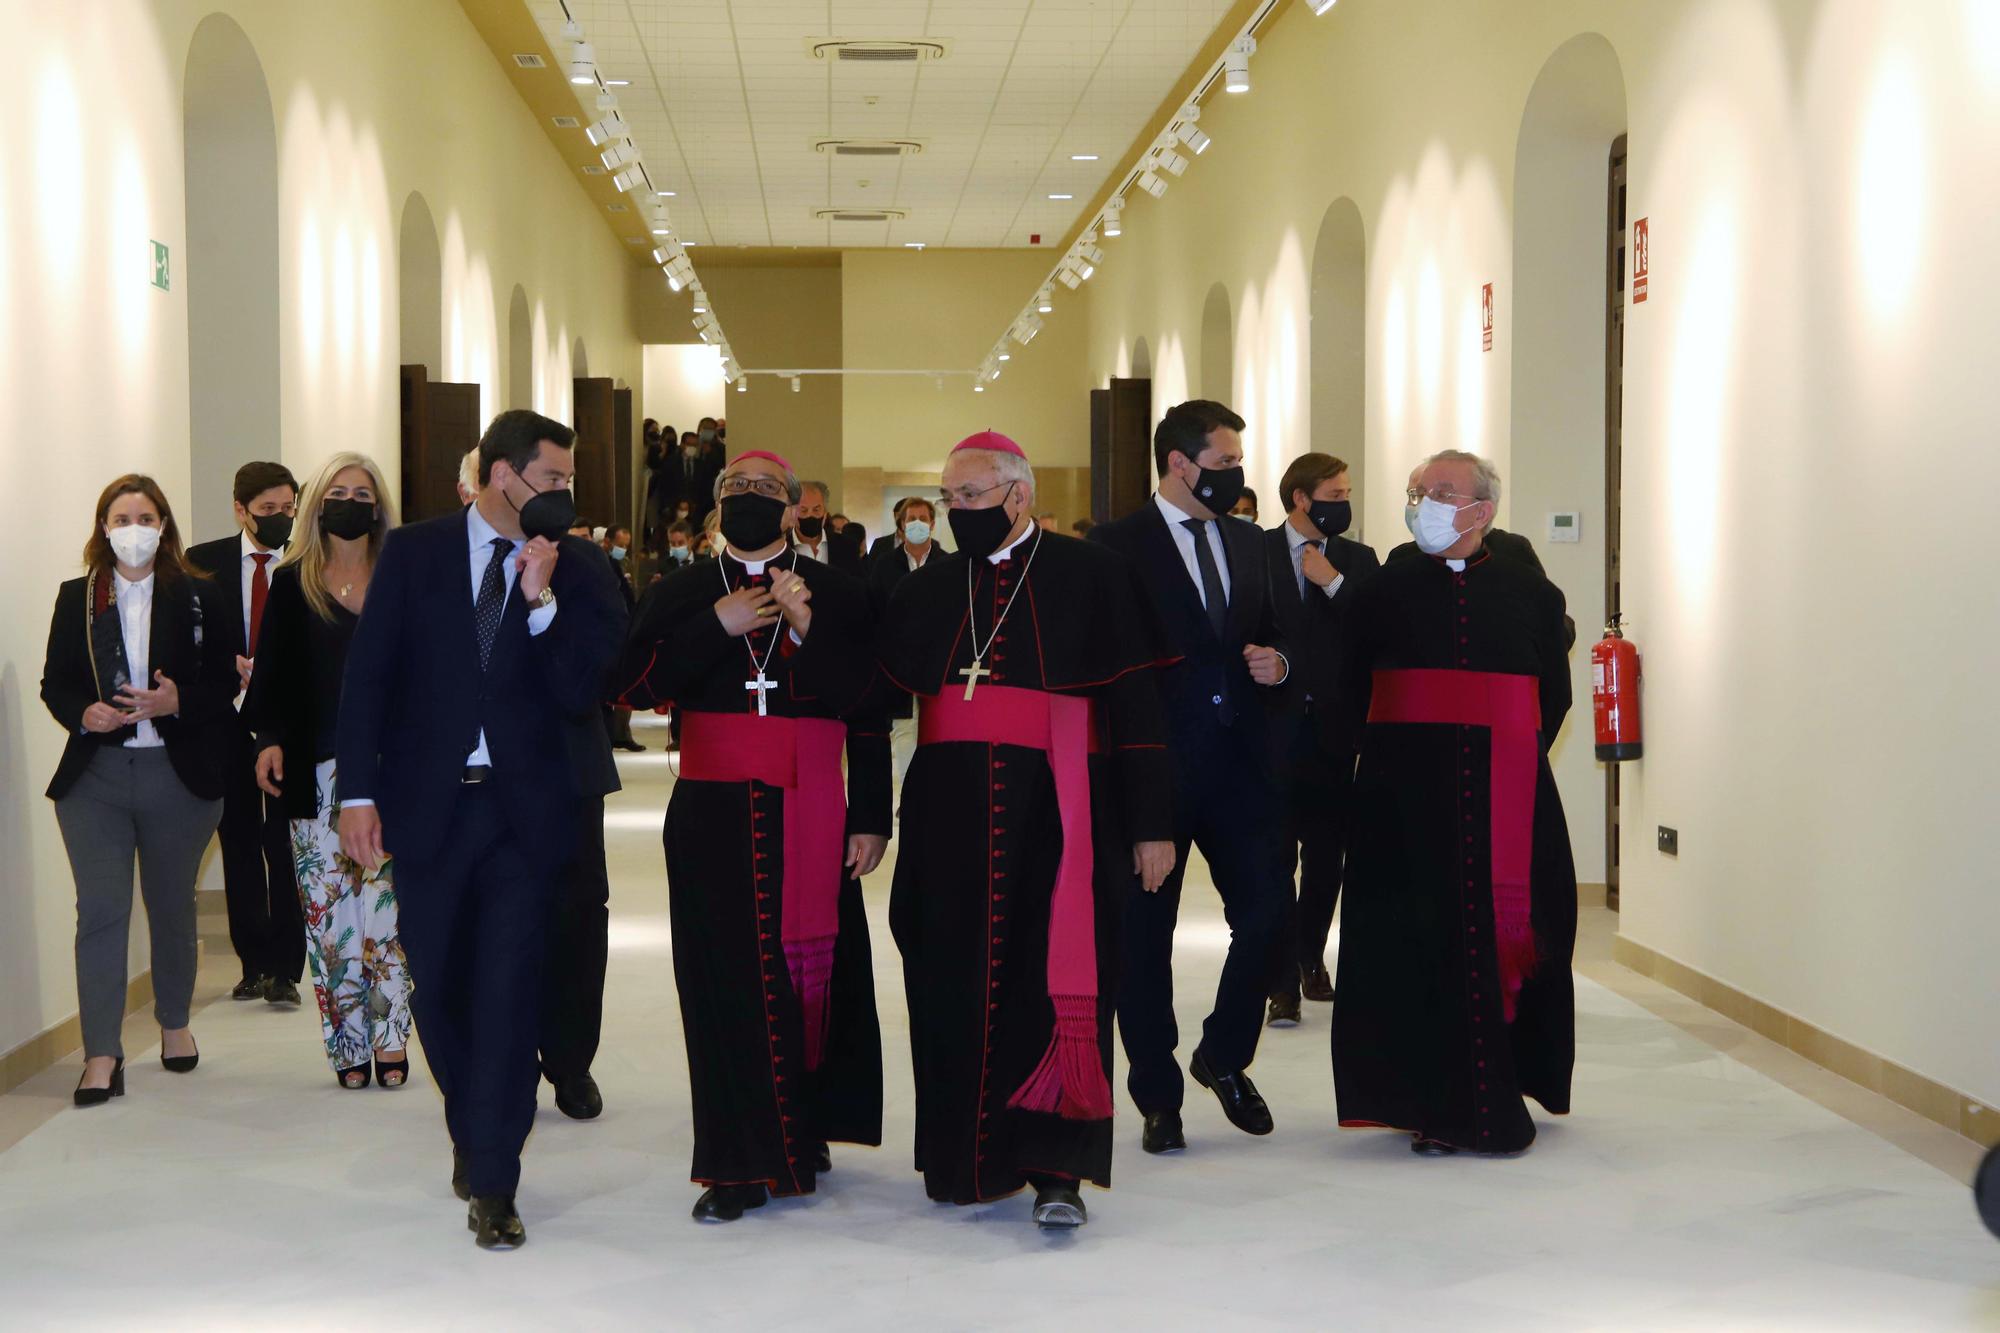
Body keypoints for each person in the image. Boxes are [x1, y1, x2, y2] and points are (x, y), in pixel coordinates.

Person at [335, 409, 625, 1249]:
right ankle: (473, 1123)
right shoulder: (417, 553)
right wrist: (358, 794)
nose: (565, 497)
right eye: (554, 480)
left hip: (526, 815)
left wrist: (538, 607)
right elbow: (370, 680)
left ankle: (494, 1179)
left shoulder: (582, 570)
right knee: (442, 987)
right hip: (429, 807)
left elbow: (585, 689)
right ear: (503, 475)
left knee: (507, 990)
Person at [878, 430, 1175, 1230]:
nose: (954, 512)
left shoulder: (1097, 575)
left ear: (1019, 495)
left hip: (1062, 808)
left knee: (1057, 982)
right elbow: (876, 689)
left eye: (969, 496)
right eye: (948, 499)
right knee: (946, 976)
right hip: (946, 814)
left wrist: (1153, 823)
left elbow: (1139, 710)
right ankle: (958, 1157)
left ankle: (1057, 1170)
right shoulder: (930, 587)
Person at [616, 448, 889, 1223]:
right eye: (734, 488)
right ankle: (734, 1161)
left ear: (794, 505)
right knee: (721, 982)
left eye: (765, 489)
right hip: (711, 812)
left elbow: (870, 707)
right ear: (714, 505)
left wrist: (871, 815)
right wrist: (714, 625)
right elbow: (632, 688)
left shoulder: (837, 589)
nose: (747, 497)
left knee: (812, 973)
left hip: (813, 808)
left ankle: (802, 1127)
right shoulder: (680, 592)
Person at [1331, 449, 1575, 1157]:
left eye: (1441, 490)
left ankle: (1510, 1078)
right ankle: (1425, 1096)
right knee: (1416, 941)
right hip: (1404, 802)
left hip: (1509, 793)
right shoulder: (1383, 587)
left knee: (1524, 932)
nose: (1424, 501)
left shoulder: (1531, 593)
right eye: (1418, 490)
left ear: (1483, 510)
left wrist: (1505, 750)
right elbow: (1350, 690)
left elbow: (1549, 698)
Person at [1088, 400, 1291, 1156]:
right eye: (1225, 461)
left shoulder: (1250, 541)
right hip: (1151, 770)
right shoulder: (1115, 546)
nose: (1237, 474)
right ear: (1179, 463)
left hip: (1243, 764)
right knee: (1144, 942)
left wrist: (1281, 662)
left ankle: (1223, 1054)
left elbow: (1275, 632)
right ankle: (1157, 1094)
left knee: (1270, 914)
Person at [41, 475, 234, 1105]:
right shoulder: (78, 598)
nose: (133, 528)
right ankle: (101, 1054)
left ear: (164, 526)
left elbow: (224, 687)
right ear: (103, 528)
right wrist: (83, 713)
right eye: (121, 517)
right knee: (100, 911)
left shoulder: (201, 596)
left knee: (171, 903)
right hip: (94, 780)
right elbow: (56, 682)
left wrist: (179, 700)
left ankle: (174, 1023)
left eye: (145, 516)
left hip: (176, 776)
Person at [244, 453, 412, 1090]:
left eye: (362, 493)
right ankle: (347, 1045)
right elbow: (273, 678)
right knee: (330, 919)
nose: (350, 502)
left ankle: (392, 1037)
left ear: (379, 507)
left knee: (388, 916)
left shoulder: (403, 576)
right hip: (314, 775)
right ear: (317, 505)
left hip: (392, 770)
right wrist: (267, 740)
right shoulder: (293, 584)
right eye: (337, 492)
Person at [1261, 453, 1379, 1027]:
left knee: (1327, 856)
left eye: (1347, 491)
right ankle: (1280, 976)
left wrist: (1331, 583)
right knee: (1275, 856)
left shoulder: (1358, 560)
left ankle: (1311, 954)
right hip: (1271, 733)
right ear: (1302, 498)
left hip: (1335, 733)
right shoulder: (1255, 551)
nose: (1344, 502)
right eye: (1334, 493)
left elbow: (1377, 628)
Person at [185, 461, 307, 1008]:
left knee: (284, 844)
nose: (281, 519)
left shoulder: (306, 561)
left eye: (288, 509)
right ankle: (252, 961)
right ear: (241, 510)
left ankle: (287, 966)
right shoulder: (202, 564)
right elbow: (183, 643)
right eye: (268, 511)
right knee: (237, 841)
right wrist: (220, 668)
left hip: (286, 722)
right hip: (226, 722)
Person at [1386, 463, 1575, 650]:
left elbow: (1558, 626)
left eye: (1440, 496)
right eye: (1415, 495)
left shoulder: (1512, 550)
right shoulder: (1401, 558)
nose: (1424, 506)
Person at [864, 498, 940, 787]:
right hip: (897, 659)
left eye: (923, 518)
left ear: (932, 523)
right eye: (912, 518)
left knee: (934, 724)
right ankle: (910, 789)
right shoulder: (886, 564)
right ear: (901, 524)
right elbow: (875, 608)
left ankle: (931, 787)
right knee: (904, 728)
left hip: (934, 659)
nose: (918, 523)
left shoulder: (945, 562)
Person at [600, 525, 644, 753]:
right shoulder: (598, 562)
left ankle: (621, 734)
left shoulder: (620, 563)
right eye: (620, 544)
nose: (622, 549)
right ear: (607, 541)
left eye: (626, 545)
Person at [790, 480, 834, 565]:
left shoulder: (846, 546)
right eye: (803, 510)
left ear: (825, 512)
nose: (810, 515)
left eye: (816, 510)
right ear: (793, 512)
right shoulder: (779, 547)